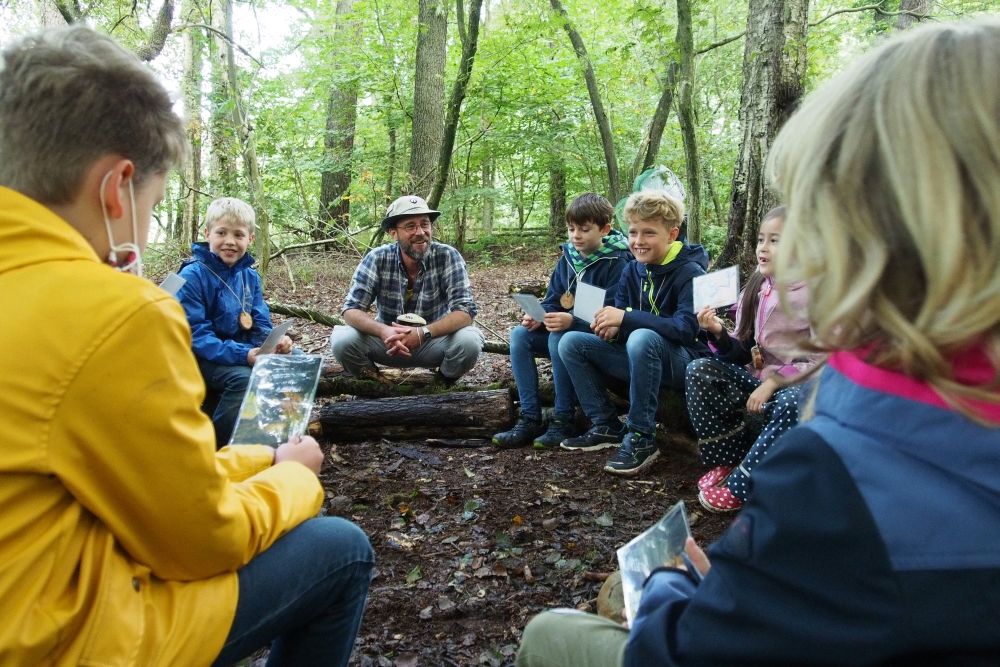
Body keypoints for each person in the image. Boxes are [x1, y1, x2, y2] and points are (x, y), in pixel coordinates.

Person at [516, 19, 1000, 667]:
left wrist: (673, 581)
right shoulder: (860, 395)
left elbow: (698, 648)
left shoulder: (843, 473)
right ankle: (608, 429)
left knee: (550, 633)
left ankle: (664, 450)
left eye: (812, 211)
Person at [0, 26, 373, 667]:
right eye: (151, 202)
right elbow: (200, 541)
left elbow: (126, 485)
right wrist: (293, 478)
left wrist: (257, 456)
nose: (143, 225)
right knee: (340, 548)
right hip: (56, 641)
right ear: (118, 190)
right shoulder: (112, 313)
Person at [558, 191, 711, 476]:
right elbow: (620, 317)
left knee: (642, 337)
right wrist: (610, 328)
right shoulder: (632, 269)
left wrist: (626, 319)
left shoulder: (690, 272)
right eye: (633, 232)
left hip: (683, 363)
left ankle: (641, 436)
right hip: (638, 357)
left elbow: (686, 330)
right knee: (572, 342)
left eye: (649, 233)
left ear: (672, 234)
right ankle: (606, 424)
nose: (639, 242)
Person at [685, 206, 818, 512]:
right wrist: (718, 332)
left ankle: (743, 482)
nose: (763, 248)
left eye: (776, 241)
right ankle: (726, 459)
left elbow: (821, 359)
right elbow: (744, 349)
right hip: (755, 382)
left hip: (795, 387)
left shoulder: (817, 293)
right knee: (699, 369)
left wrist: (773, 382)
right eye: (761, 239)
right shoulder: (756, 286)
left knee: (792, 401)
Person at [493, 193, 631, 449]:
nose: (576, 235)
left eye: (584, 229)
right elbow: (555, 299)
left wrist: (572, 320)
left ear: (605, 229)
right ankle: (530, 417)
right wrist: (538, 314)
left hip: (595, 339)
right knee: (519, 335)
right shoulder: (568, 258)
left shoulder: (619, 262)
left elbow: (614, 312)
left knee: (560, 336)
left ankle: (563, 417)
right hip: (568, 330)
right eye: (571, 229)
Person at [177, 197, 295, 448]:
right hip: (198, 357)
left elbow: (259, 321)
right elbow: (195, 335)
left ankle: (279, 432)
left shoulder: (249, 276)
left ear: (250, 239)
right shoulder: (193, 275)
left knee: (297, 359)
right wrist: (245, 355)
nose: (230, 241)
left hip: (237, 350)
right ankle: (218, 446)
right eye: (221, 233)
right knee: (243, 378)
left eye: (238, 235)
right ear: (208, 234)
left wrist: (276, 343)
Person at [330, 195, 484, 384]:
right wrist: (383, 331)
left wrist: (423, 333)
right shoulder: (377, 259)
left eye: (425, 224)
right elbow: (351, 310)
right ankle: (375, 388)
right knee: (341, 339)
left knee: (470, 340)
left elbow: (465, 312)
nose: (420, 232)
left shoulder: (447, 256)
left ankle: (441, 387)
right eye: (410, 226)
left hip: (432, 341)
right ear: (393, 233)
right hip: (388, 342)